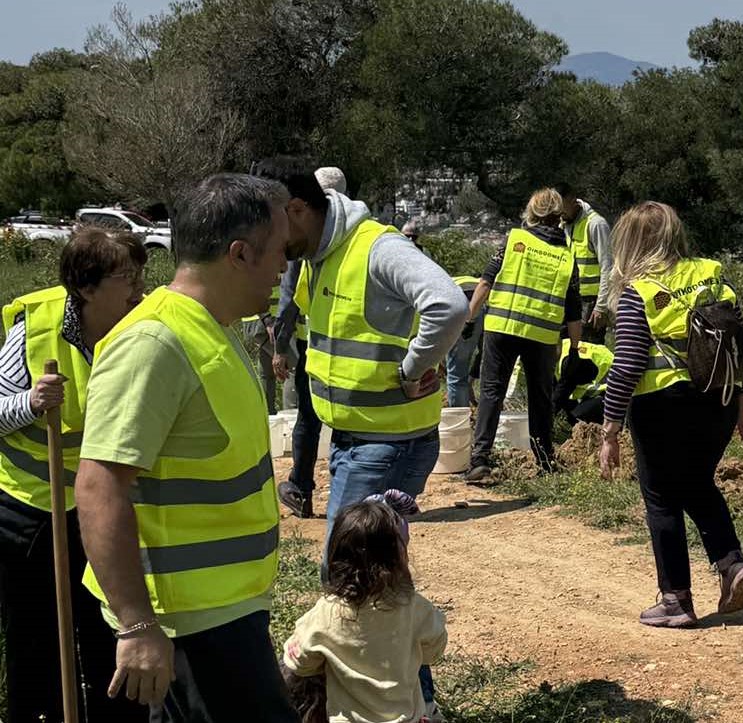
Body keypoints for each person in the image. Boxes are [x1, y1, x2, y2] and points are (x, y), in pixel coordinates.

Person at [74, 174, 299, 720]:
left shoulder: (211, 327)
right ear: (239, 254)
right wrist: (138, 625)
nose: (284, 267)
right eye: (279, 251)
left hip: (222, 610)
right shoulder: (154, 344)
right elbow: (99, 487)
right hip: (186, 626)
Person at [252, 158, 467, 543]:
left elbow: (448, 305)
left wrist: (412, 369)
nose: (270, 243)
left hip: (387, 444)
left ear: (297, 209)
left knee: (343, 566)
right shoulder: (318, 255)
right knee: (366, 567)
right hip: (355, 437)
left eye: (270, 228)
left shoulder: (377, 248)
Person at [0, 228, 148, 723]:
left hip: (99, 510)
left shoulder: (138, 327)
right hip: (30, 512)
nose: (139, 289)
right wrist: (30, 402)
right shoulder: (34, 329)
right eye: (127, 278)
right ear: (86, 288)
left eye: (140, 275)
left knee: (105, 625)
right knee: (36, 638)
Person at [597, 201, 743, 628]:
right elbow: (739, 348)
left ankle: (676, 599)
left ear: (631, 243)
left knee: (661, 498)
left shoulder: (639, 290)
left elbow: (627, 365)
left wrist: (609, 431)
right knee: (696, 482)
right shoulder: (713, 275)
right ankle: (732, 564)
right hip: (719, 401)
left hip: (661, 406)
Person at [283, 498, 446, 723]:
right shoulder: (415, 607)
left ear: (335, 555)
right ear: (398, 556)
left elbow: (298, 662)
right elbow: (434, 651)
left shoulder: (327, 612)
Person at [462, 188, 583, 480]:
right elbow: (574, 309)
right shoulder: (567, 257)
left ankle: (480, 458)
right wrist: (575, 348)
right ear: (558, 216)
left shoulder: (514, 240)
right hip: (542, 336)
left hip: (502, 329)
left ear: (532, 213)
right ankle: (545, 460)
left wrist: (469, 318)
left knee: (492, 392)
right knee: (540, 398)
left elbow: (485, 282)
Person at [272, 166, 346, 519]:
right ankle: (351, 490)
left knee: (309, 418)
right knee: (348, 421)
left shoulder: (304, 242)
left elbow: (288, 303)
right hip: (355, 350)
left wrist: (279, 348)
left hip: (313, 348)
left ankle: (301, 488)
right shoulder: (360, 237)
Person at [557, 182, 612, 343]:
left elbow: (608, 267)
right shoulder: (562, 225)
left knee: (588, 350)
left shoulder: (596, 224)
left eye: (562, 207)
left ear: (573, 200)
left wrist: (601, 306)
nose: (559, 213)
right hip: (565, 299)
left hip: (589, 303)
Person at [553, 338, 612, 425]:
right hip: (603, 389)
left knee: (578, 419)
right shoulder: (564, 347)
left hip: (614, 391)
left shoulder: (570, 361)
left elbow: (559, 397)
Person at [445, 274, 483, 407]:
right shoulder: (469, 280)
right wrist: (470, 382)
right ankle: (489, 415)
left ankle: (459, 417)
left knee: (456, 375)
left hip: (464, 304)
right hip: (489, 304)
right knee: (491, 370)